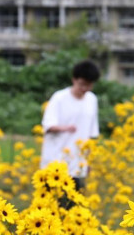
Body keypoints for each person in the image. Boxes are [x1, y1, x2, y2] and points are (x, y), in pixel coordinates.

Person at [40, 60, 100, 202]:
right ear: (74, 79)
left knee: (73, 212)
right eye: (82, 84)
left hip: (78, 167)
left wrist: (88, 162)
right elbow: (48, 125)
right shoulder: (59, 98)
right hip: (54, 164)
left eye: (89, 85)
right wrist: (66, 128)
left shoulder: (92, 100)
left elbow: (92, 134)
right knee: (50, 209)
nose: (85, 88)